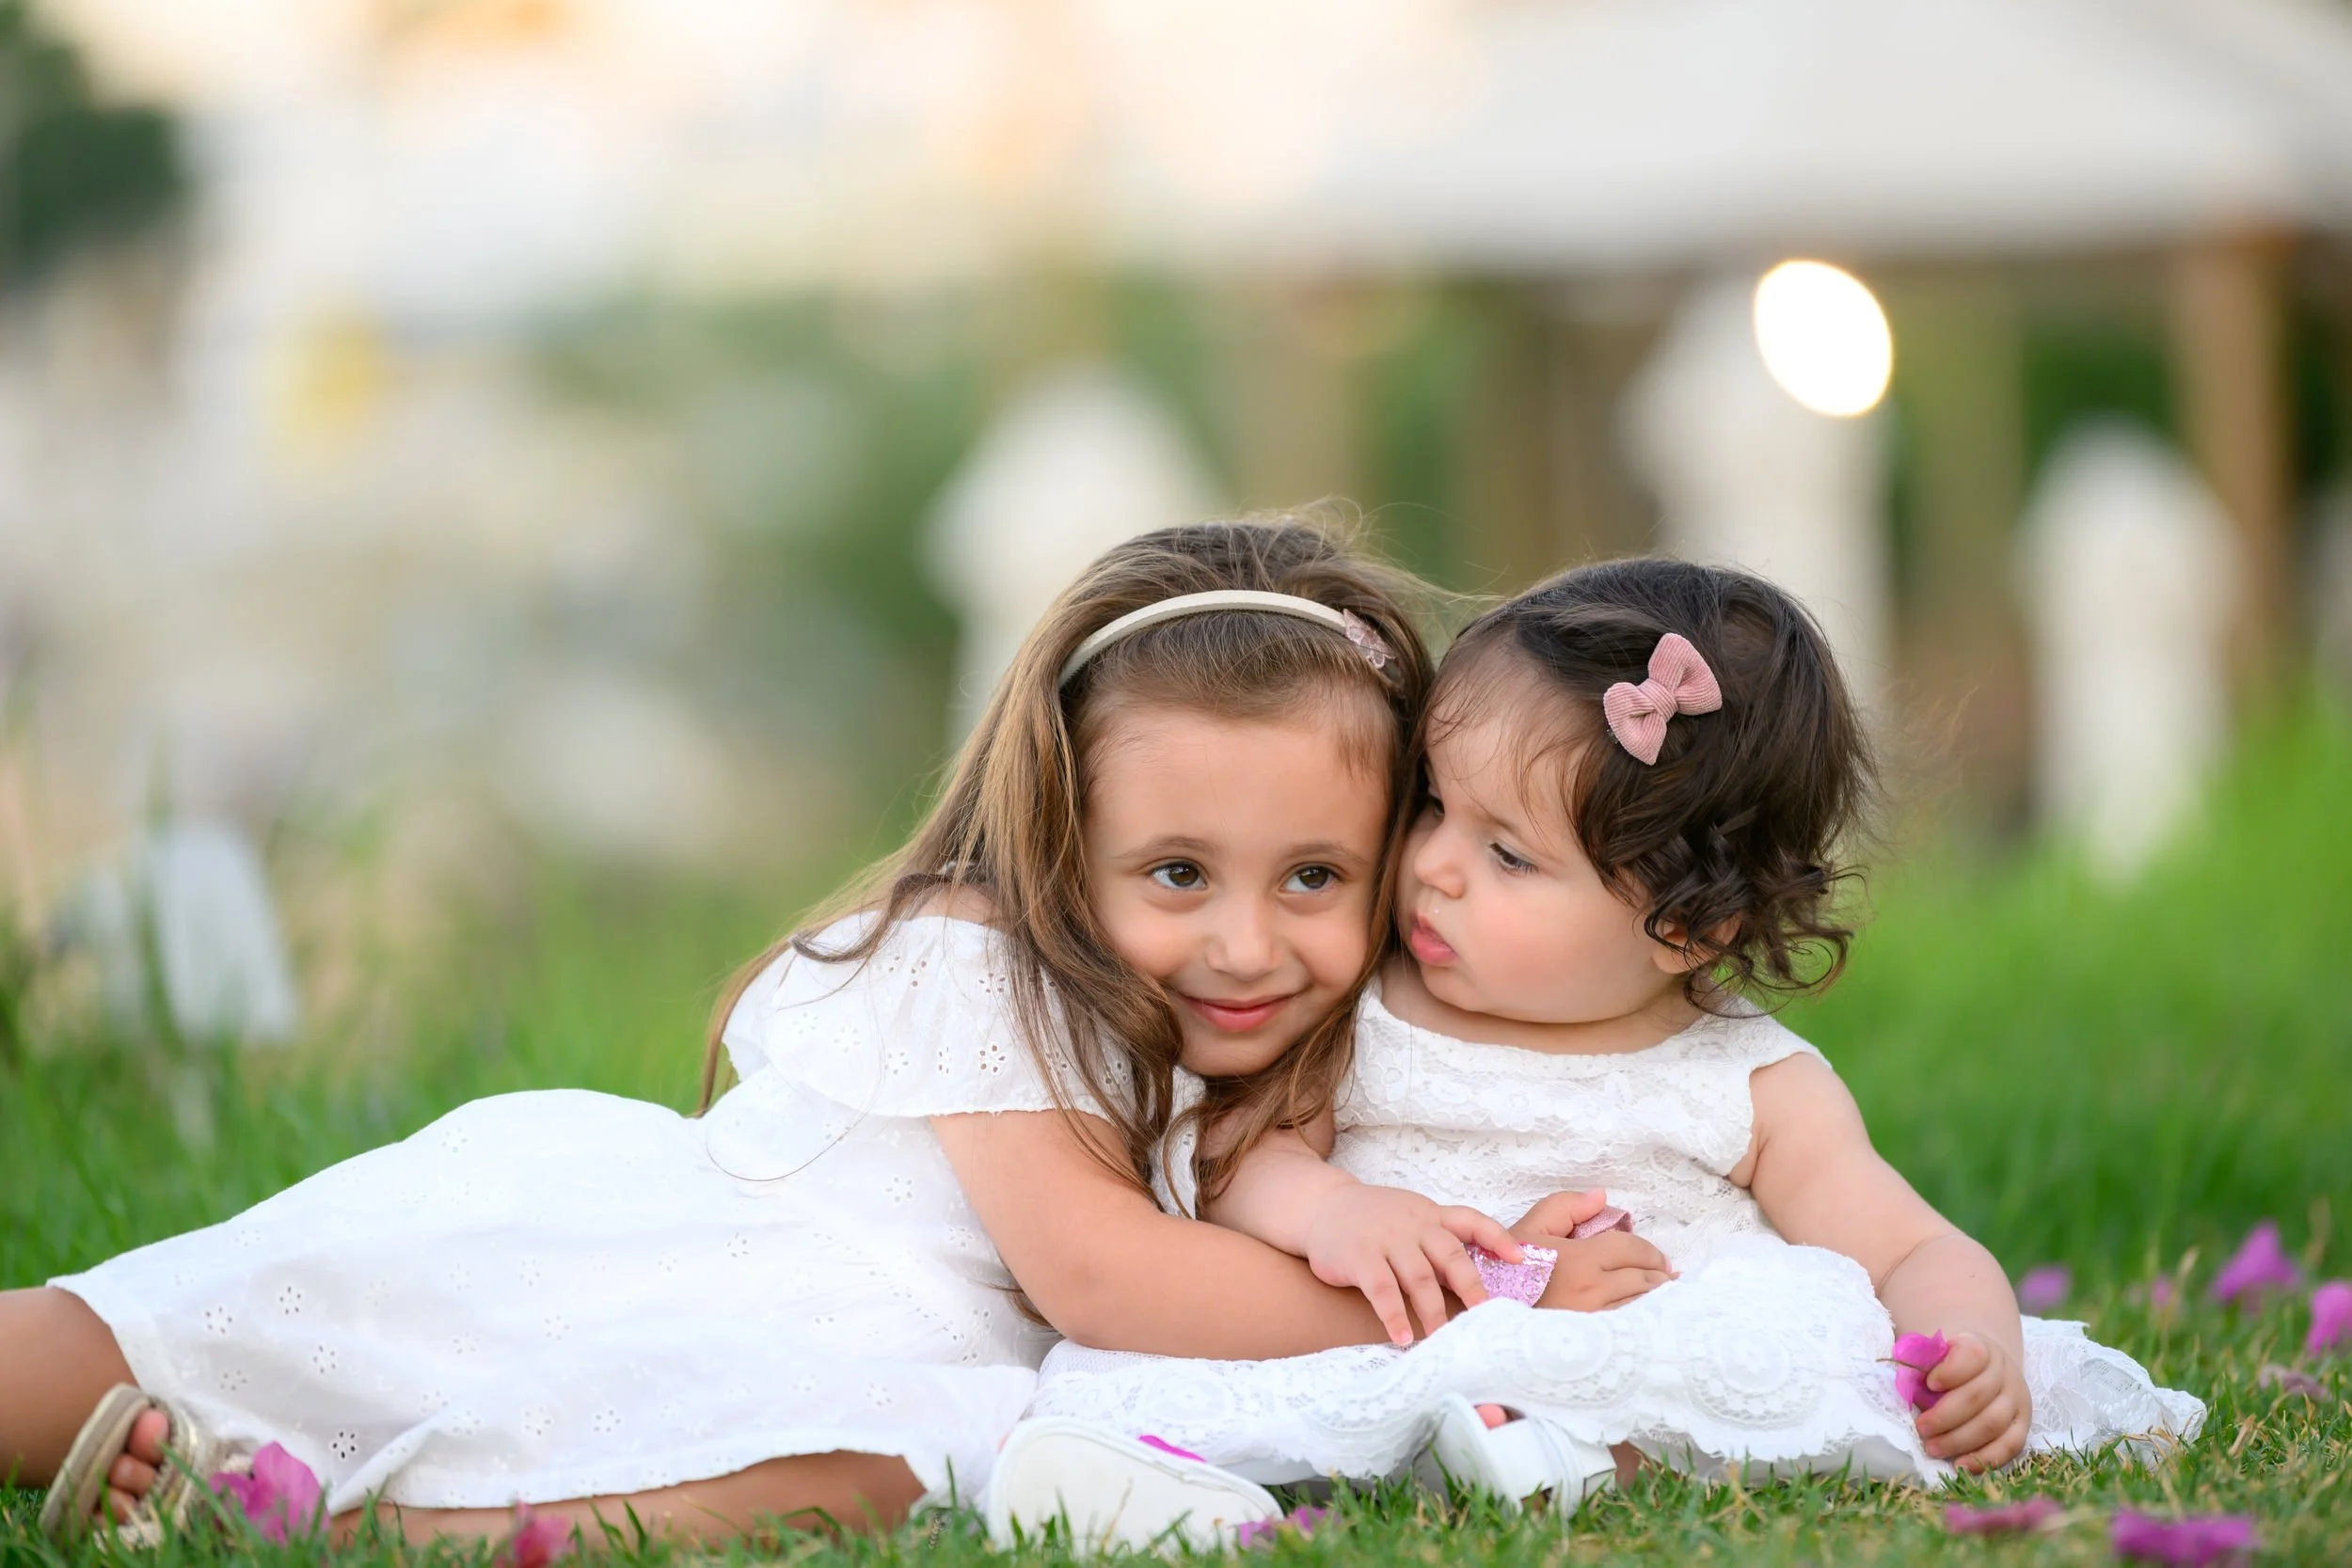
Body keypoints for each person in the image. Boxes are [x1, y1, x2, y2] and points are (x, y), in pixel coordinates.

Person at [3, 518, 1512, 1551]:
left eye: (1314, 876)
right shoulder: (976, 956)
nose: (1248, 943)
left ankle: (329, 1524)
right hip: (649, 1242)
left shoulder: (1276, 1050)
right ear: (1063, 840)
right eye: (1178, 873)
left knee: (864, 1467)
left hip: (882, 1369)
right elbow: (1103, 1272)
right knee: (190, 1333)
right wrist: (1485, 1305)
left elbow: (1270, 1205)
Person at [1015, 558, 2205, 1522]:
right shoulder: (1364, 999)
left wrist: (1973, 1339)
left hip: (1652, 1326)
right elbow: (1240, 1155)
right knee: (1314, 1389)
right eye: (1433, 800)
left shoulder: (1750, 1080)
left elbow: (1905, 1246)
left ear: (1687, 924)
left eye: (1507, 853)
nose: (1428, 864)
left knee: (1723, 1358)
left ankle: (1548, 1451)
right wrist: (1333, 1212)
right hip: (1414, 1327)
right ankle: (1419, 1450)